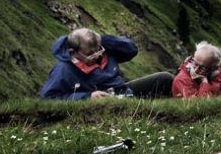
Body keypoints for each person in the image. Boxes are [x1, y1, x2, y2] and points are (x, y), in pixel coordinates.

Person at [40, 28, 174, 100]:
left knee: (164, 78)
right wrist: (87, 97)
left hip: (123, 92)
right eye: (89, 53)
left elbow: (131, 50)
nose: (96, 55)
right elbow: (48, 98)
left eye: (98, 50)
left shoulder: (103, 49)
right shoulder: (63, 69)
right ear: (73, 52)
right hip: (103, 102)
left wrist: (102, 40)